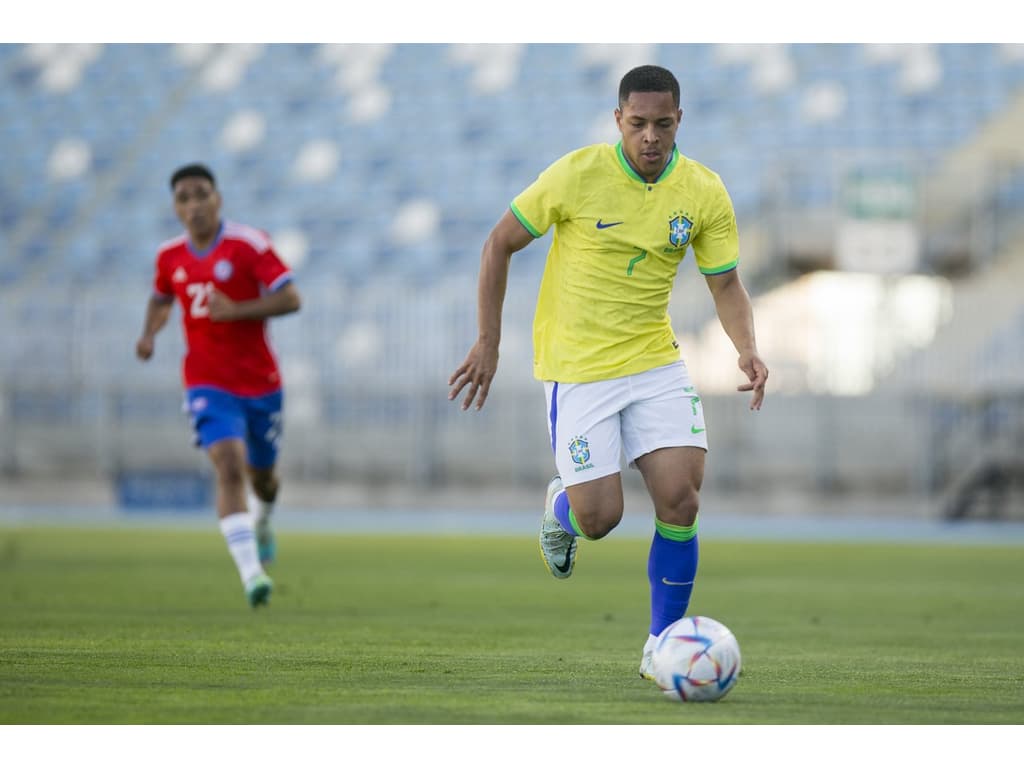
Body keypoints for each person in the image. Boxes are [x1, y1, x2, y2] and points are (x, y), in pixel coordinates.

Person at [447, 65, 768, 679]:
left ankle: (661, 645)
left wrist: (746, 347)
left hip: (655, 362)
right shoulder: (577, 174)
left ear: (680, 122)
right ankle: (560, 508)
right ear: (618, 120)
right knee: (601, 518)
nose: (650, 136)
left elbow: (724, 281)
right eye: (639, 123)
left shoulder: (703, 191)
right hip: (579, 367)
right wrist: (488, 341)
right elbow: (499, 243)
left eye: (663, 124)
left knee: (680, 499)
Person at [136, 163, 301, 608]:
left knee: (263, 478)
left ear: (217, 199)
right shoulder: (169, 257)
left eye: (200, 195)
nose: (193, 205)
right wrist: (150, 333)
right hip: (207, 381)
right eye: (183, 198)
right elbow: (160, 297)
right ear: (175, 208)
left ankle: (263, 519)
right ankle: (252, 576)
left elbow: (291, 297)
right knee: (228, 465)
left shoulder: (249, 245)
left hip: (260, 383)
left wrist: (240, 309)